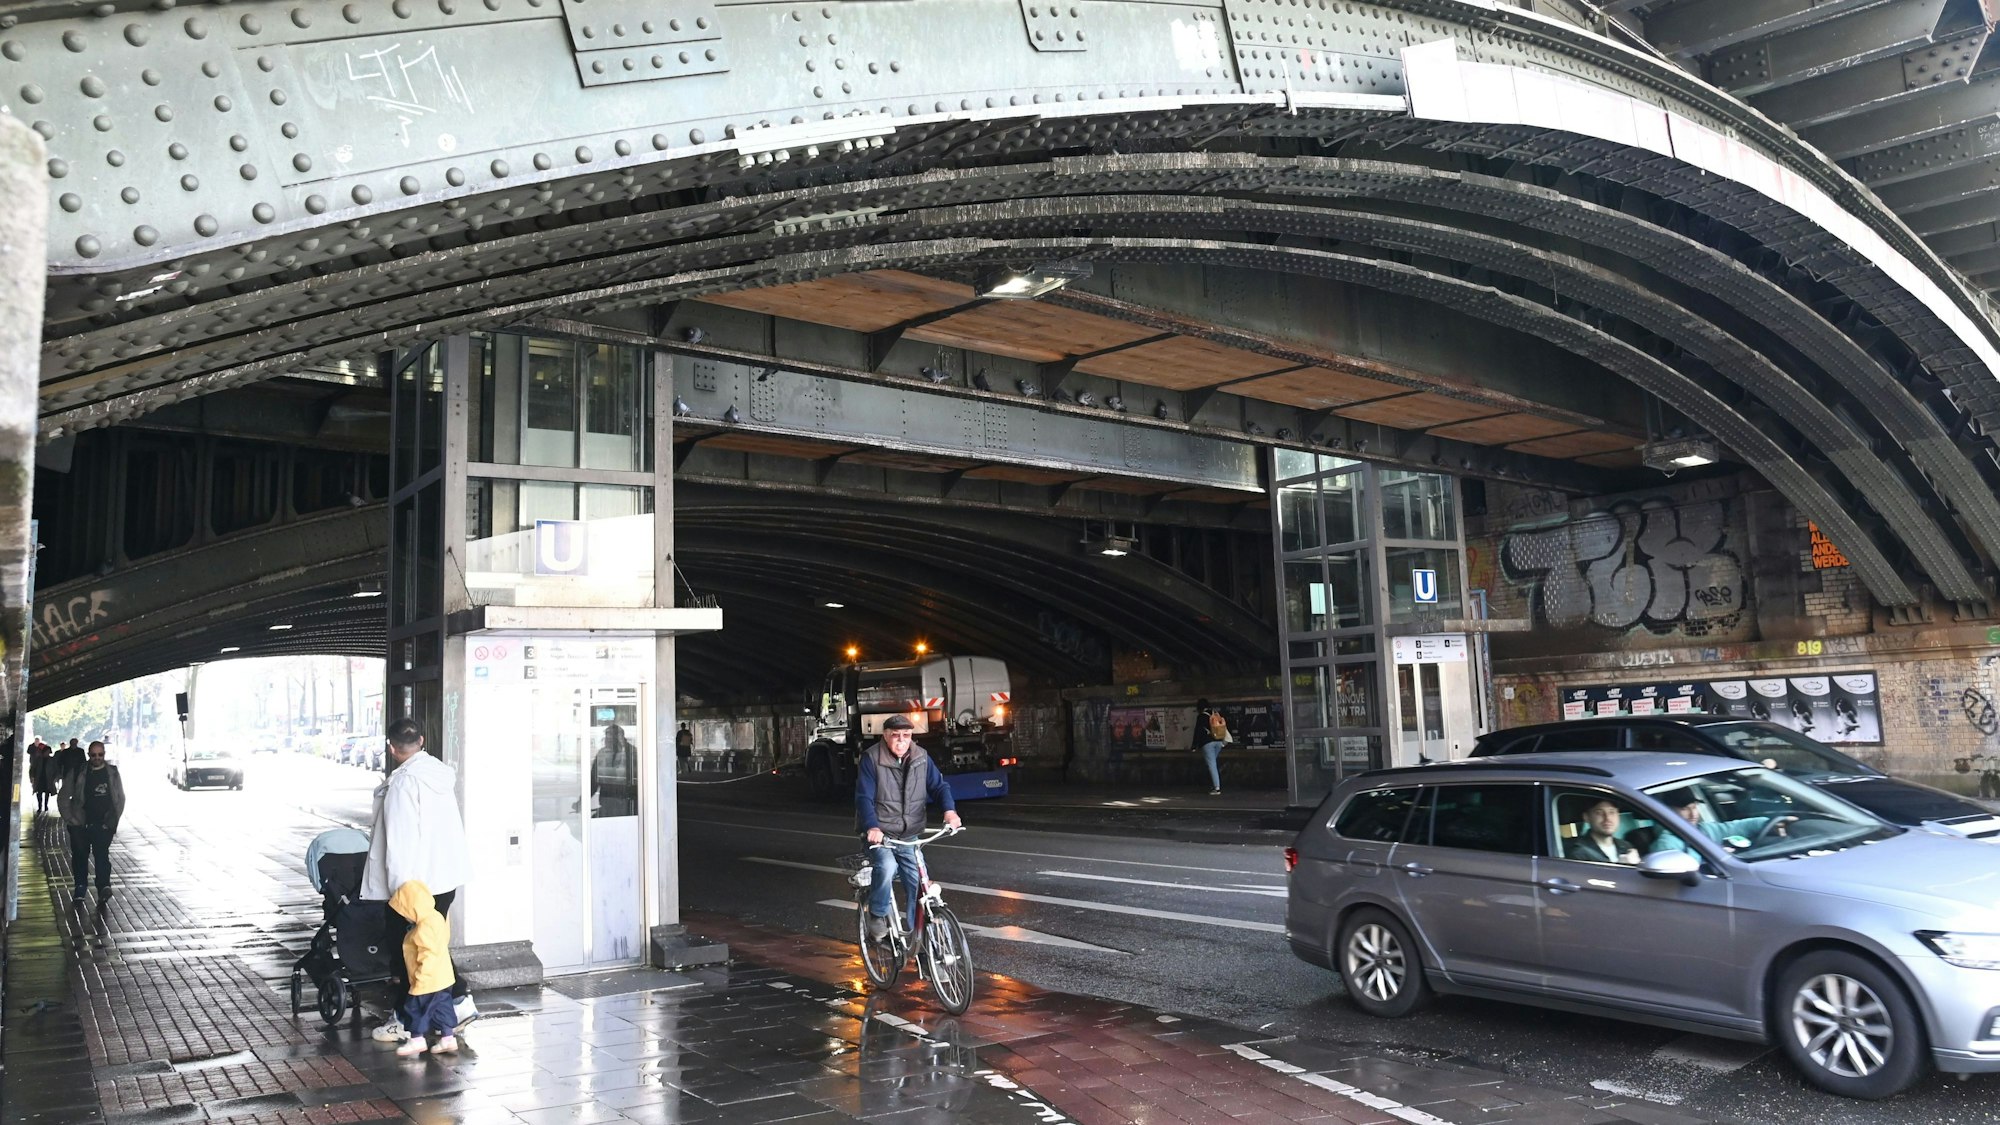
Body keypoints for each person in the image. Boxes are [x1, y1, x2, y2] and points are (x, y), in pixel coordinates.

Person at [362, 718, 476, 1043]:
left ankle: (405, 1020)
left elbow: (400, 841)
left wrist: (402, 891)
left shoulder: (403, 784)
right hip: (444, 878)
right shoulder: (438, 775)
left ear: (391, 748)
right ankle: (458, 1004)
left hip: (416, 884)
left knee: (408, 950)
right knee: (432, 944)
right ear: (422, 741)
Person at [854, 715, 961, 941]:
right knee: (887, 866)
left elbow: (939, 787)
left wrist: (949, 811)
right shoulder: (871, 758)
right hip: (881, 835)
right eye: (896, 736)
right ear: (885, 736)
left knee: (919, 885)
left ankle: (920, 944)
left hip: (909, 835)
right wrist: (872, 827)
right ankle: (877, 914)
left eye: (907, 735)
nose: (901, 741)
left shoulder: (921, 757)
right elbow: (864, 798)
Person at [389, 880, 459, 1057]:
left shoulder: (423, 927)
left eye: (405, 911)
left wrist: (421, 978)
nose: (405, 916)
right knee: (442, 1006)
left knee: (416, 1008)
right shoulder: (436, 917)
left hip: (427, 979)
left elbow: (428, 954)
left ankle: (417, 1039)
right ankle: (448, 1038)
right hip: (444, 977)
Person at [59, 741, 124, 902]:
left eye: (100, 754)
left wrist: (112, 821)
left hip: (103, 824)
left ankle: (104, 887)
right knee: (80, 856)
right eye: (94, 755)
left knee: (102, 856)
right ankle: (80, 887)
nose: (97, 758)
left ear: (104, 754)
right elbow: (63, 796)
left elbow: (120, 798)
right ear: (89, 755)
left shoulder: (112, 773)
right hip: (80, 824)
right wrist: (70, 818)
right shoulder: (78, 772)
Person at [1648, 789, 1792, 856]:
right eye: (1685, 809)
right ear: (1667, 811)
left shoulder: (1703, 829)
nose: (1693, 814)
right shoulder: (1666, 843)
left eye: (1694, 807)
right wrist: (1717, 854)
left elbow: (1735, 827)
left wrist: (1768, 823)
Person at [1563, 798, 1639, 864]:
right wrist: (1620, 867)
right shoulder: (1578, 853)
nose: (1607, 818)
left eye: (1612, 812)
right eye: (1599, 813)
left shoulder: (1626, 846)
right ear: (1586, 817)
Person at [590, 724, 638, 816]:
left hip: (628, 802)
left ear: (619, 738)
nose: (606, 741)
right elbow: (593, 780)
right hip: (607, 801)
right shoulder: (602, 753)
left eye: (610, 739)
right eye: (606, 738)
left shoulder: (633, 753)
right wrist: (583, 800)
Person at [1200, 707, 1230, 796]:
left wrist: (1194, 745)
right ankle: (1213, 784)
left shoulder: (1201, 717)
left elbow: (1198, 731)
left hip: (1207, 743)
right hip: (1219, 741)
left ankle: (1216, 787)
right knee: (1212, 763)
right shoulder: (1216, 714)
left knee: (1211, 765)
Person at [28, 737, 52, 812]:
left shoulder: (51, 760)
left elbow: (55, 769)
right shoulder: (38, 760)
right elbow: (33, 768)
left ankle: (45, 805)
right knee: (39, 792)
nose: (47, 753)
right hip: (39, 778)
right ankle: (40, 806)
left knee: (47, 792)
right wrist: (32, 777)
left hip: (47, 778)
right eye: (46, 752)